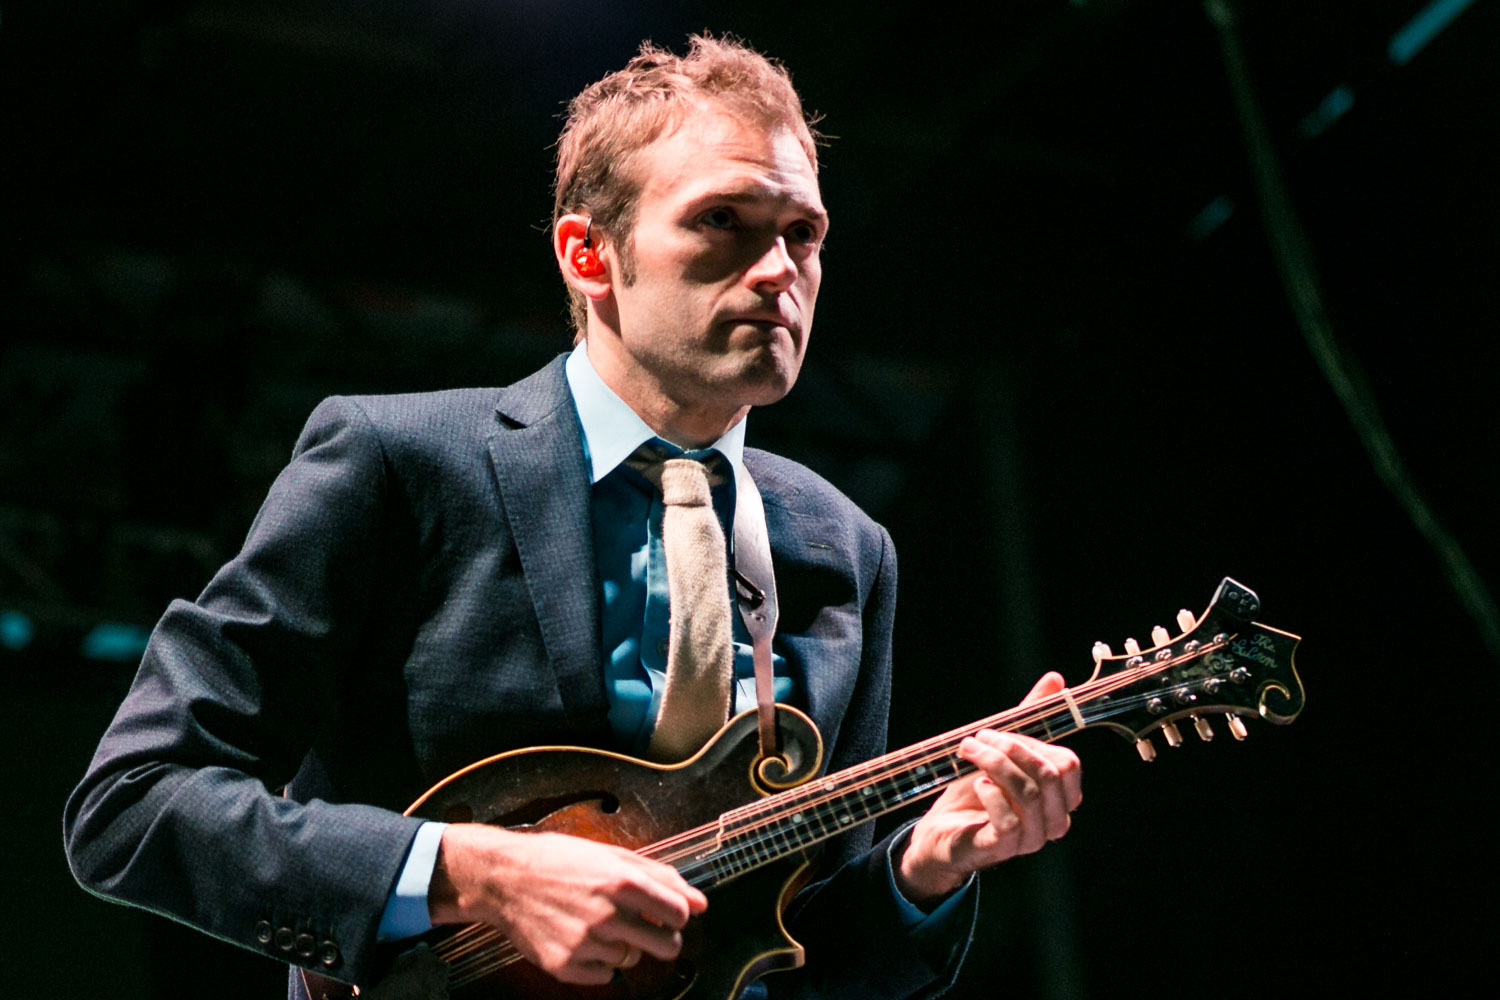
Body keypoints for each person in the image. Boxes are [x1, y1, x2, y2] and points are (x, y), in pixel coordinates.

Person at [64, 35, 1082, 999]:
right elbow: (134, 805)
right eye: (722, 221)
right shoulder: (404, 465)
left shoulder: (842, 546)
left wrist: (927, 869)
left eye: (803, 233)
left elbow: (804, 950)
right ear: (589, 257)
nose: (780, 272)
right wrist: (473, 871)